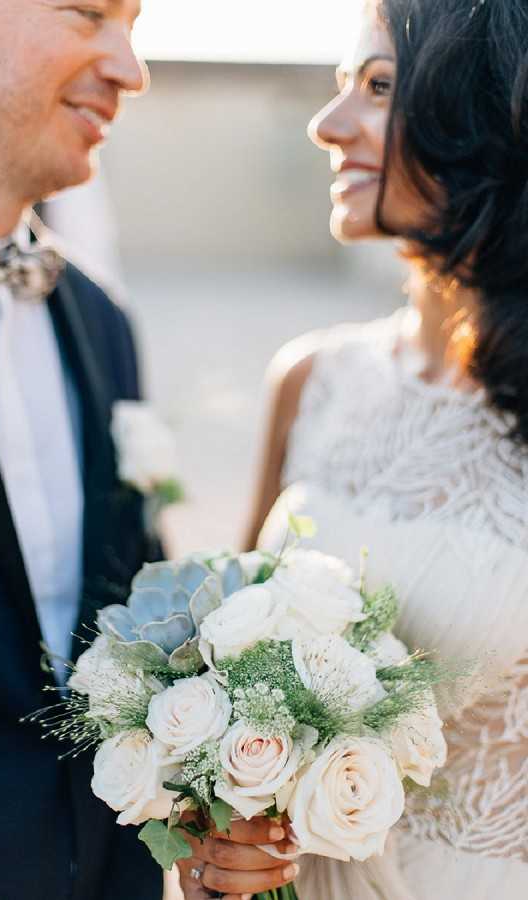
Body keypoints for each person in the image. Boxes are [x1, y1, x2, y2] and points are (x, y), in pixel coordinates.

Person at [0, 2, 285, 899]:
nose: (131, 68)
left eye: (135, 26)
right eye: (88, 13)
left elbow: (128, 625)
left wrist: (213, 816)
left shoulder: (99, 322)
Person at [247, 0, 528, 898]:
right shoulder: (311, 380)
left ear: (480, 112)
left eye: (376, 88)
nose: (328, 128)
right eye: (339, 88)